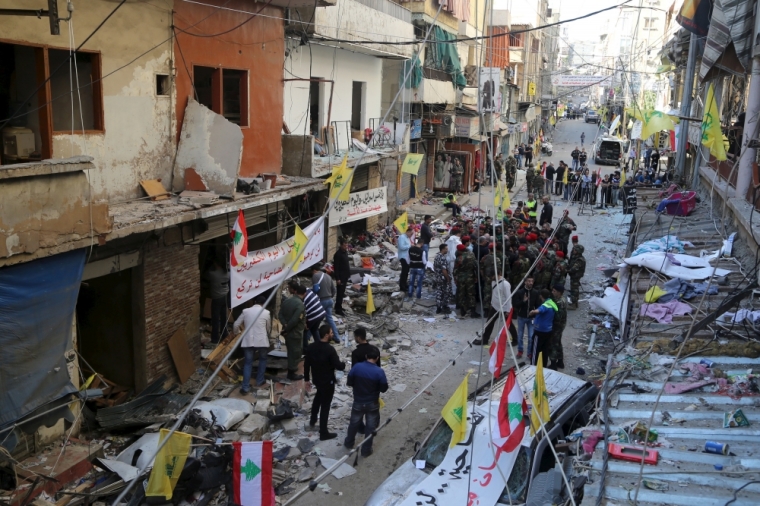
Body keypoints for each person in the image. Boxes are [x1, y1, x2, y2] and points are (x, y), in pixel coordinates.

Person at [304, 325, 346, 440]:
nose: (333, 334)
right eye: (331, 332)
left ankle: (313, 419)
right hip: (328, 381)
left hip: (317, 379)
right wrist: (344, 364)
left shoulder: (311, 347)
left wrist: (306, 379)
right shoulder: (330, 349)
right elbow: (338, 366)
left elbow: (306, 364)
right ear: (326, 335)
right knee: (325, 405)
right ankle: (323, 432)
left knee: (318, 397)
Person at [344, 347, 388, 457]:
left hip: (358, 401)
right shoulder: (379, 372)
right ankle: (366, 450)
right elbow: (384, 388)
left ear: (366, 356)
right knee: (370, 427)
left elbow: (349, 382)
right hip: (372, 403)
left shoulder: (356, 367)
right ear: (377, 358)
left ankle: (349, 443)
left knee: (354, 423)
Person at [233, 295, 271, 393]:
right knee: (262, 360)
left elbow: (236, 324)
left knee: (248, 363)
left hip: (248, 340)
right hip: (262, 340)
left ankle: (245, 387)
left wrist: (237, 333)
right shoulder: (266, 312)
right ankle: (259, 381)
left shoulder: (245, 311)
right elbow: (268, 327)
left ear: (255, 302)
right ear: (264, 303)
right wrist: (266, 334)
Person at [473, 272, 514, 346]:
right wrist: (492, 304)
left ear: (499, 274)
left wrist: (508, 310)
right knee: (489, 323)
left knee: (509, 324)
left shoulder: (505, 284)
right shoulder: (493, 282)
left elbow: (509, 297)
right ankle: (485, 340)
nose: (491, 277)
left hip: (504, 308)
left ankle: (515, 339)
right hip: (495, 307)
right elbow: (494, 294)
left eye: (493, 275)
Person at [279, 283, 306, 380]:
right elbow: (295, 320)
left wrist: (285, 324)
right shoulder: (300, 305)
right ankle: (291, 373)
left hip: (287, 332)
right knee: (295, 353)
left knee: (290, 350)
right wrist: (287, 328)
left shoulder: (287, 301)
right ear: (304, 294)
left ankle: (291, 370)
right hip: (295, 333)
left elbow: (280, 314)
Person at [311, 265, 341, 343]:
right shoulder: (328, 276)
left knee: (315, 320)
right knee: (330, 319)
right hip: (329, 300)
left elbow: (315, 290)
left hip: (321, 300)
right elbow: (334, 290)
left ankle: (311, 338)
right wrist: (330, 296)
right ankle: (337, 337)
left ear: (314, 270)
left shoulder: (315, 275)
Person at [528, 289, 557, 367]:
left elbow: (539, 310)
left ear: (541, 296)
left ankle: (533, 366)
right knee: (544, 350)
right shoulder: (552, 303)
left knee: (535, 350)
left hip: (540, 331)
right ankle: (543, 366)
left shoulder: (545, 305)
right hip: (548, 330)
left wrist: (532, 312)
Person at [513, 276, 539, 360]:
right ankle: (520, 351)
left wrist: (536, 311)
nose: (531, 283)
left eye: (532, 281)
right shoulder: (519, 292)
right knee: (520, 335)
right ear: (525, 282)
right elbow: (515, 304)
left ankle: (529, 353)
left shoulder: (535, 292)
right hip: (521, 317)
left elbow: (538, 305)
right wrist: (523, 301)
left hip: (531, 318)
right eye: (529, 281)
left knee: (531, 336)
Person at [205, 260, 230, 343]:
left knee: (215, 319)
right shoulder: (227, 273)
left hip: (217, 298)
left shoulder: (213, 274)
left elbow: (206, 275)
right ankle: (224, 335)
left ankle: (215, 338)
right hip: (225, 297)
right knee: (224, 317)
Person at [298, 283, 326, 348]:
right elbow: (318, 298)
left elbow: (304, 312)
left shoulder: (302, 299)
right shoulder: (309, 290)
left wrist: (305, 323)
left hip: (314, 316)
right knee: (315, 330)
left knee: (305, 331)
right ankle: (320, 346)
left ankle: (305, 349)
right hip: (321, 312)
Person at [454, 244, 479, 318]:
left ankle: (463, 310)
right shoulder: (472, 255)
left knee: (461, 293)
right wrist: (476, 276)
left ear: (459, 250)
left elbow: (455, 270)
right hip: (470, 277)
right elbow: (475, 266)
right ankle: (473, 312)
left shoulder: (459, 258)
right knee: (471, 294)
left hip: (461, 278)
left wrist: (455, 278)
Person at [548, 285, 567, 370]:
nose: (552, 292)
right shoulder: (562, 299)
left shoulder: (559, 302)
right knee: (558, 343)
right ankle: (560, 361)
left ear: (559, 292)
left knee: (553, 344)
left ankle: (553, 364)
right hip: (561, 325)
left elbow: (557, 317)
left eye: (554, 291)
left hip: (556, 326)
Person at [333, 238, 351, 316]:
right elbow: (336, 267)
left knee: (342, 293)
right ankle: (338, 309)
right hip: (341, 277)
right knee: (340, 293)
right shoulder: (338, 254)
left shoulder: (345, 252)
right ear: (341, 245)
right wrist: (337, 278)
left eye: (346, 245)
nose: (346, 246)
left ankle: (338, 306)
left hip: (345, 276)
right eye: (344, 245)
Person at [434, 243, 452, 314]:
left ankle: (439, 307)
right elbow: (444, 270)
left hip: (438, 277)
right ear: (443, 249)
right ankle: (445, 306)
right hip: (443, 278)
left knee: (439, 291)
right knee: (446, 292)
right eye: (446, 249)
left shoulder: (437, 256)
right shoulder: (442, 258)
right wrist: (447, 278)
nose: (447, 250)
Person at [567, 244, 586, 309]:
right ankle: (574, 302)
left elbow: (574, 268)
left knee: (574, 289)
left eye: (575, 250)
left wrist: (567, 270)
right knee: (574, 288)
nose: (573, 250)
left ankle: (574, 304)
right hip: (574, 275)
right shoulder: (575, 256)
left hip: (576, 276)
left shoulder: (580, 260)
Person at [397, 228, 413, 294]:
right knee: (404, 272)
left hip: (407, 257)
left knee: (406, 272)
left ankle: (405, 284)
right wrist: (410, 245)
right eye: (411, 234)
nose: (411, 235)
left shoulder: (407, 238)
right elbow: (402, 247)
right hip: (403, 257)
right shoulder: (402, 237)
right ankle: (402, 286)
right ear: (408, 232)